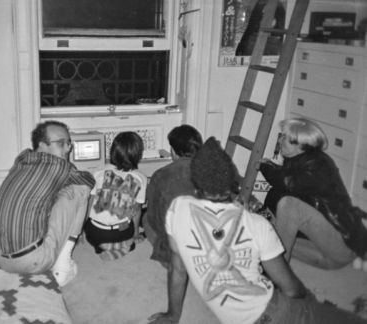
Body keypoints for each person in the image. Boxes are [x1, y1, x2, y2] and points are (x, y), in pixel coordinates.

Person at [147, 137, 367, 324]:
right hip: (273, 313)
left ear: (196, 185)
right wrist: (307, 300)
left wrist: (172, 315)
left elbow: (177, 269)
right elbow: (291, 289)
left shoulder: (178, 209)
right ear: (232, 185)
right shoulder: (256, 224)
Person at [0, 120, 95, 286]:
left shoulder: (22, 159)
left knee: (50, 195)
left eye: (68, 143)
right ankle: (62, 267)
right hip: (32, 261)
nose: (68, 149)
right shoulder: (60, 166)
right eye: (61, 143)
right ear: (42, 145)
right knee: (79, 189)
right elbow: (88, 181)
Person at [259, 117, 367, 269]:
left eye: (286, 139)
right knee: (263, 239)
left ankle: (277, 274)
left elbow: (286, 183)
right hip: (322, 255)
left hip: (342, 248)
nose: (280, 141)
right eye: (282, 136)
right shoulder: (296, 159)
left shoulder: (318, 164)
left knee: (289, 206)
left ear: (302, 147)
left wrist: (264, 165)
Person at [143, 124, 203, 267]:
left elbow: (153, 214)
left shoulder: (160, 175)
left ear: (174, 151)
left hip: (175, 245)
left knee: (145, 218)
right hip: (207, 240)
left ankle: (171, 257)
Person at [84, 131, 147, 261]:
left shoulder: (98, 172)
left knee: (90, 221)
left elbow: (88, 203)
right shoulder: (140, 178)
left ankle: (100, 246)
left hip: (96, 233)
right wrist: (135, 234)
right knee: (132, 228)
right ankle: (125, 246)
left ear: (112, 151)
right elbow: (136, 211)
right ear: (138, 155)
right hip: (121, 233)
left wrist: (80, 232)